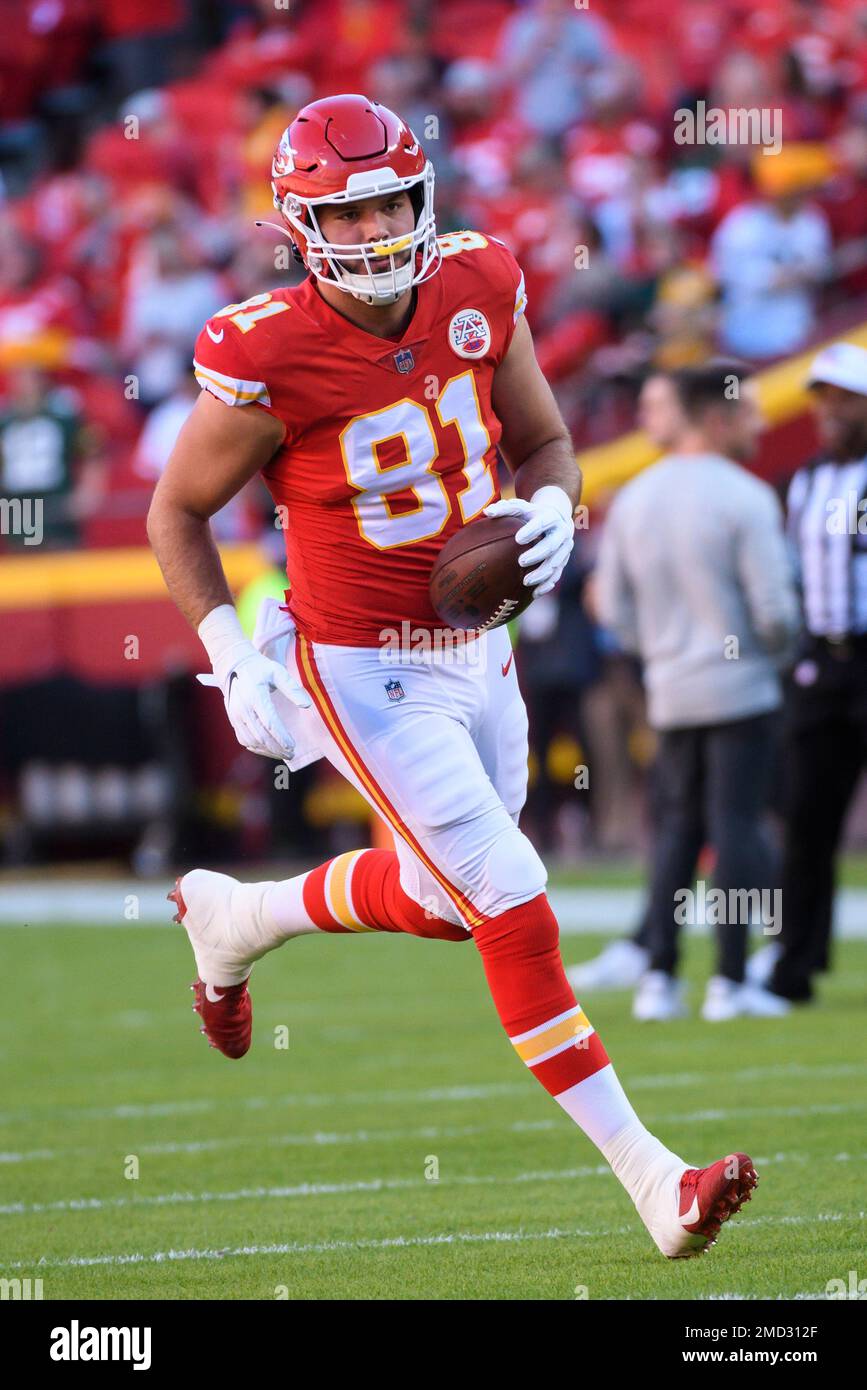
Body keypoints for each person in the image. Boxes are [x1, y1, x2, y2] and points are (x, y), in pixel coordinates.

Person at [147, 95, 758, 1260]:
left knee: (444, 902)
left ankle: (238, 918)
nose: (378, 228)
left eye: (391, 202)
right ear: (301, 222)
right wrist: (229, 651)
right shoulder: (267, 349)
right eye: (350, 209)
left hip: (482, 644)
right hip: (358, 664)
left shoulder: (479, 280)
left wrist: (550, 510)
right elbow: (176, 508)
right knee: (511, 890)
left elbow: (543, 441)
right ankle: (655, 1180)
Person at [586, 364, 799, 1021]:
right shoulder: (744, 496)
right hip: (740, 688)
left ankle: (659, 978)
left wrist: (660, 652)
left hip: (671, 687)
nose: (759, 423)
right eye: (748, 411)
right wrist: (774, 657)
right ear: (717, 417)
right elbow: (775, 615)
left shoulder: (634, 497)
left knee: (676, 829)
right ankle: (729, 984)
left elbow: (609, 607)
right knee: (734, 825)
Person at [755, 342, 867, 1003]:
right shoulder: (804, 481)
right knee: (804, 819)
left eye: (840, 399)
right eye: (820, 398)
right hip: (821, 664)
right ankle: (793, 965)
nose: (824, 411)